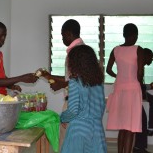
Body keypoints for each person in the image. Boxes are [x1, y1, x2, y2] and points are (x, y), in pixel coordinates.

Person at [41, 19, 84, 149]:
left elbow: (77, 81)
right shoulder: (82, 49)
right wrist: (48, 75)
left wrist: (60, 85)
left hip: (73, 102)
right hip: (79, 102)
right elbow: (71, 78)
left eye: (62, 35)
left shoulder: (75, 52)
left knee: (67, 143)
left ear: (69, 33)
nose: (62, 38)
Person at [60, 45, 107, 153]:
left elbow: (72, 110)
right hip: (97, 131)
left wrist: (63, 118)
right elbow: (102, 105)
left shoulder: (75, 82)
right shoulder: (98, 82)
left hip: (78, 131)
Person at [106, 23, 144, 153]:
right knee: (130, 128)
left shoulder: (115, 50)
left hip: (119, 90)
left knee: (122, 127)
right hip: (133, 90)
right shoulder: (138, 49)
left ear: (124, 35)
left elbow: (108, 69)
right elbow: (140, 74)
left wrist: (119, 76)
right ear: (134, 35)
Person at [0, 21, 38, 96]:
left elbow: (2, 77)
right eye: (0, 35)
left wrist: (12, 86)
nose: (3, 38)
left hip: (1, 95)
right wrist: (21, 78)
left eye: (4, 35)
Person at [134, 48, 153, 153]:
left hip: (137, 95)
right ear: (145, 56)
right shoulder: (138, 68)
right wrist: (149, 87)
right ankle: (139, 148)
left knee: (142, 120)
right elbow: (138, 86)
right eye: (151, 57)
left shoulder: (139, 67)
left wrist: (149, 87)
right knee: (142, 120)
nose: (152, 59)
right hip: (134, 97)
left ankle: (139, 147)